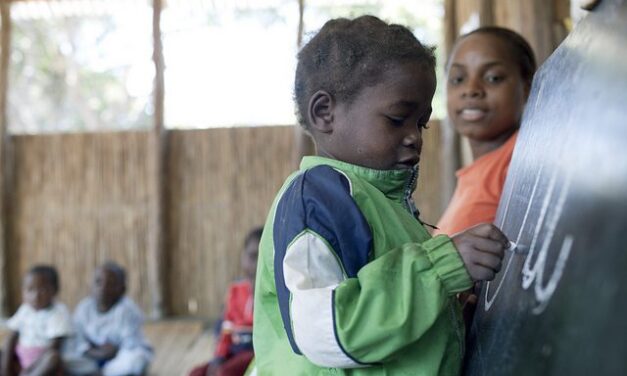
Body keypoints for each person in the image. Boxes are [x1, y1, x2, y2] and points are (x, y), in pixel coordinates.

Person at [253, 15, 509, 375]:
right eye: (396, 118)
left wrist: (447, 314)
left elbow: (389, 319)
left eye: (421, 123)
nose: (414, 137)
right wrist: (440, 269)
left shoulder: (380, 202)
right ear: (325, 112)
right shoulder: (317, 199)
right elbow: (327, 332)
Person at [435, 27, 537, 236]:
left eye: (493, 78)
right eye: (458, 79)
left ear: (526, 87)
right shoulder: (477, 172)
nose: (471, 89)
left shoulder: (522, 164)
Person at [189, 227, 262, 376]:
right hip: (233, 351)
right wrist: (219, 357)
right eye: (252, 256)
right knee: (197, 373)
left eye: (261, 258)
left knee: (224, 373)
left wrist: (257, 294)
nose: (256, 264)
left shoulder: (271, 293)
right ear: (243, 257)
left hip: (254, 353)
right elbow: (225, 329)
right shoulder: (236, 291)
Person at [66, 261, 153, 376]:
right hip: (91, 358)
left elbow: (130, 343)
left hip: (119, 357)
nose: (103, 288)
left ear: (122, 289)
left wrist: (113, 351)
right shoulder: (84, 308)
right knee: (64, 360)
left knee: (137, 360)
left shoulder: (127, 310)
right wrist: (95, 352)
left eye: (111, 284)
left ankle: (102, 373)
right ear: (91, 285)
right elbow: (78, 341)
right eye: (98, 282)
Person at [1, 265, 73, 376]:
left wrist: (30, 369)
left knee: (53, 357)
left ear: (55, 290)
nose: (36, 295)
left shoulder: (58, 312)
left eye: (42, 289)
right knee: (7, 343)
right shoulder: (25, 309)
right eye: (30, 289)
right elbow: (13, 335)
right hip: (20, 358)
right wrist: (6, 367)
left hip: (41, 361)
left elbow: (54, 346)